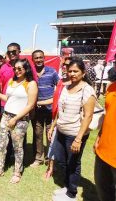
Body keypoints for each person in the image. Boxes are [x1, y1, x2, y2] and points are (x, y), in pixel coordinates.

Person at [52, 57, 96, 201]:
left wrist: (78, 139)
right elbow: (60, 110)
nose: (72, 74)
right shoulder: (66, 87)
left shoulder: (87, 90)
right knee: (61, 161)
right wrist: (54, 125)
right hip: (61, 131)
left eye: (76, 71)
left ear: (83, 73)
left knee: (73, 163)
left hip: (75, 134)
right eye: (70, 71)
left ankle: (72, 194)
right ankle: (66, 187)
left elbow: (88, 116)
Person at [0, 59, 38, 183]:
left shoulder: (31, 84)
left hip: (20, 119)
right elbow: (7, 98)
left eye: (20, 68)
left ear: (26, 69)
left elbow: (30, 105)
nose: (17, 71)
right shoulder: (11, 81)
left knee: (18, 147)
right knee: (1, 145)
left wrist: (15, 119)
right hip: (6, 116)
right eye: (15, 69)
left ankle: (17, 173)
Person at [30, 50, 59, 168]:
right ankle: (39, 158)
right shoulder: (30, 73)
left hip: (49, 109)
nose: (38, 60)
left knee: (49, 133)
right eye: (36, 58)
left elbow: (59, 87)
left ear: (44, 58)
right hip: (36, 110)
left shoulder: (52, 72)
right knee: (37, 134)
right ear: (33, 60)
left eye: (40, 57)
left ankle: (50, 157)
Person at [45, 57, 72, 180]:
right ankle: (50, 168)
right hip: (55, 117)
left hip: (68, 120)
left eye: (68, 65)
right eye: (64, 65)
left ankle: (65, 171)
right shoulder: (61, 81)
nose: (65, 67)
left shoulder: (75, 84)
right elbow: (56, 100)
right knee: (52, 143)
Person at [94, 80, 116, 201]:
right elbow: (109, 114)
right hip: (103, 151)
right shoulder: (112, 87)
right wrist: (99, 136)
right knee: (103, 191)